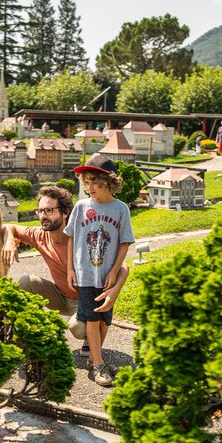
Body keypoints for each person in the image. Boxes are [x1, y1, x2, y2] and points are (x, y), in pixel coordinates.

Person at [2, 184, 128, 356]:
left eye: (49, 210)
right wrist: (10, 240)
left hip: (86, 299)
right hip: (61, 295)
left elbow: (123, 266)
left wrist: (114, 291)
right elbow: (10, 226)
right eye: (40, 211)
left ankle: (90, 335)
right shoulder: (40, 234)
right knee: (25, 282)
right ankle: (25, 333)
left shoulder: (82, 236)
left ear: (66, 212)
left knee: (78, 328)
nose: (43, 216)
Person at [65, 157, 134, 387]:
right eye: (86, 182)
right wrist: (70, 269)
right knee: (92, 320)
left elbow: (125, 242)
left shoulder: (121, 209)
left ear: (109, 181)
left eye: (94, 181)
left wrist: (114, 271)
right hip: (85, 274)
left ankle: (97, 358)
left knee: (104, 320)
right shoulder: (81, 206)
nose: (89, 187)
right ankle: (97, 364)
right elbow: (71, 238)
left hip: (106, 275)